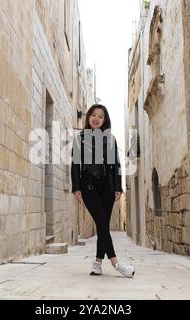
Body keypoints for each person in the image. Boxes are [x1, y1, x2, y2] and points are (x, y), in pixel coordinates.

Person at [71, 104, 135, 278]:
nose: (96, 118)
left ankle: (97, 263)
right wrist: (76, 187)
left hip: (107, 187)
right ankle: (116, 263)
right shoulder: (80, 138)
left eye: (101, 116)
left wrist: (118, 187)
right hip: (88, 186)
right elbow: (75, 165)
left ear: (104, 120)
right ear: (88, 117)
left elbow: (116, 165)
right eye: (93, 115)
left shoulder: (110, 139)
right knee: (101, 221)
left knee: (102, 225)